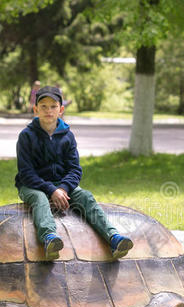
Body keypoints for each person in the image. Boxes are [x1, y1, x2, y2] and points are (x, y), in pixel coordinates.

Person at [15, 85, 133, 260]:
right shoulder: (26, 136)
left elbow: (75, 169)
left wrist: (62, 188)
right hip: (32, 186)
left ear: (61, 110)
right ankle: (49, 238)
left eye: (53, 106)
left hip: (62, 186)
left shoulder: (68, 136)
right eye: (43, 106)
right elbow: (26, 173)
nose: (49, 110)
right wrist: (51, 190)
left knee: (85, 196)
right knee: (40, 200)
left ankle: (113, 237)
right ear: (35, 109)